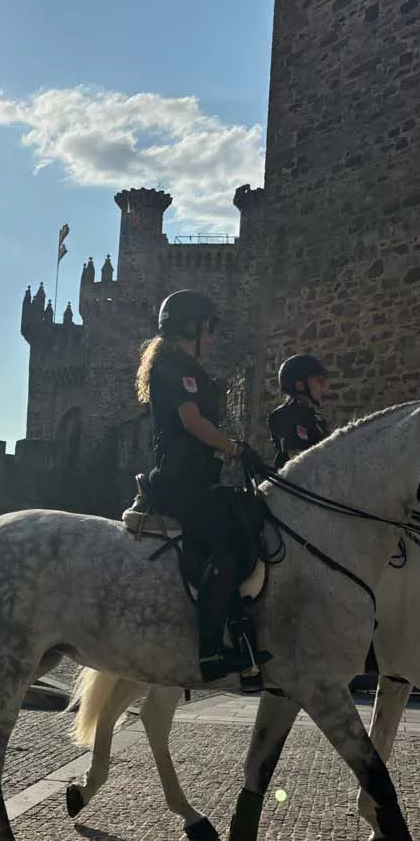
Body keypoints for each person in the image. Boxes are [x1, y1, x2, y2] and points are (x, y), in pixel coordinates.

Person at [136, 289, 264, 687]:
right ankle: (210, 648)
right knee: (226, 543)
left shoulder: (185, 367)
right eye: (208, 329)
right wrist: (235, 448)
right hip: (180, 483)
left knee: (246, 523)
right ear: (190, 326)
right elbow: (191, 422)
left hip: (198, 479)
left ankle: (239, 630)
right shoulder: (176, 366)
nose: (212, 337)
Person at [268, 354, 331, 470]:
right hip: (295, 485)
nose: (323, 386)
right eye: (319, 380)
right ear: (300, 385)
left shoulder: (314, 417)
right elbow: (299, 463)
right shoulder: (285, 415)